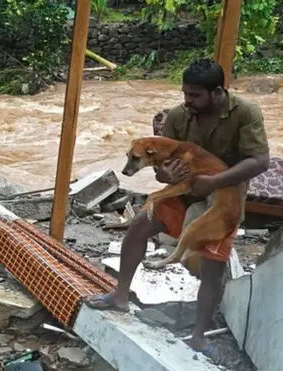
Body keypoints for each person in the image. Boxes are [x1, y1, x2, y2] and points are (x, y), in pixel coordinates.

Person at [86, 58, 270, 358]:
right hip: (183, 193)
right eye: (185, 94)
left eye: (195, 95)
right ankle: (119, 295)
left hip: (223, 196)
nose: (188, 101)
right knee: (138, 228)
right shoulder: (177, 115)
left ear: (217, 92)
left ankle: (198, 336)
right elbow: (161, 168)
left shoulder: (245, 112)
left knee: (213, 267)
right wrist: (165, 176)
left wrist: (213, 182)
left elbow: (260, 162)